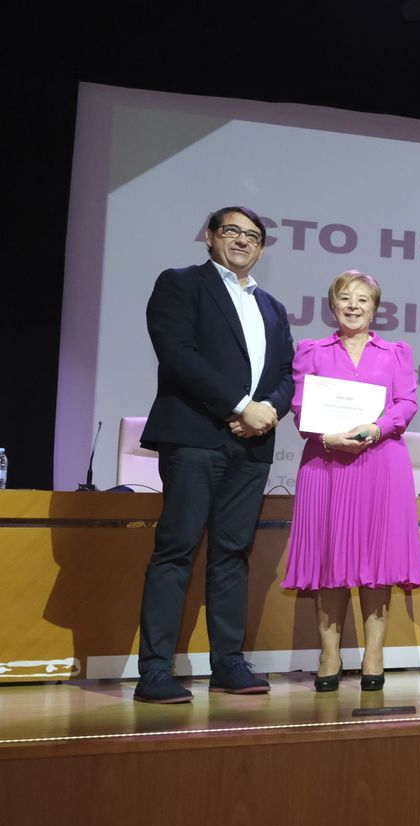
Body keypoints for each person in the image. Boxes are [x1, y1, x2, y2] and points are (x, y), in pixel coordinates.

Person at [133, 206, 294, 704]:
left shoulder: (271, 305)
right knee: (176, 550)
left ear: (262, 248)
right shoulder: (180, 284)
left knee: (232, 555)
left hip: (250, 447)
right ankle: (155, 670)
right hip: (195, 437)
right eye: (232, 231)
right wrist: (240, 406)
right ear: (209, 236)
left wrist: (268, 410)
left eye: (253, 236)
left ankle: (228, 663)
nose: (243, 241)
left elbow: (288, 372)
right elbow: (178, 354)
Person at [281, 271, 420, 692]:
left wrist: (376, 429)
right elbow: (299, 406)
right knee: (330, 560)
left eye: (363, 299)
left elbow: (406, 403)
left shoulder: (396, 353)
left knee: (377, 564)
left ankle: (374, 654)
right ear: (332, 305)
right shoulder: (311, 351)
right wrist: (326, 436)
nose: (353, 305)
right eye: (345, 298)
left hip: (381, 462)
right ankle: (329, 654)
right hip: (326, 462)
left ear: (375, 308)